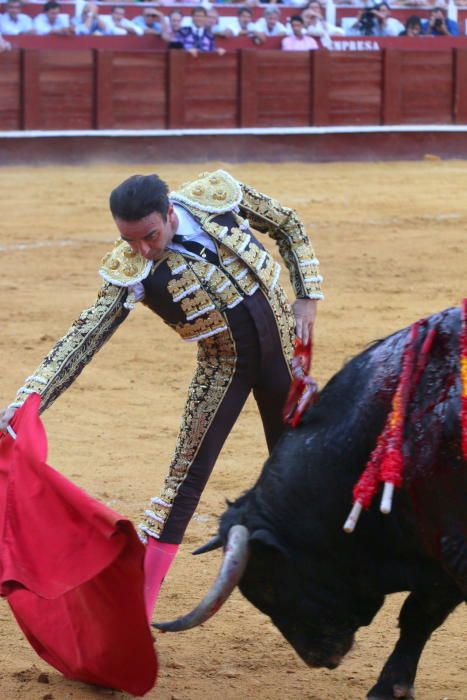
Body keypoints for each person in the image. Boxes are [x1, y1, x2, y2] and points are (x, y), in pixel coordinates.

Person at [0, 170, 322, 620]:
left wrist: (307, 295)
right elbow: (83, 337)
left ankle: (320, 584)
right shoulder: (130, 268)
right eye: (130, 241)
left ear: (171, 212)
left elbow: (287, 224)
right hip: (222, 368)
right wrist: (30, 398)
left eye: (150, 236)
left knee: (303, 467)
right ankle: (137, 611)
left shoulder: (217, 196)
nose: (143, 250)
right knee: (182, 484)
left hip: (285, 354)